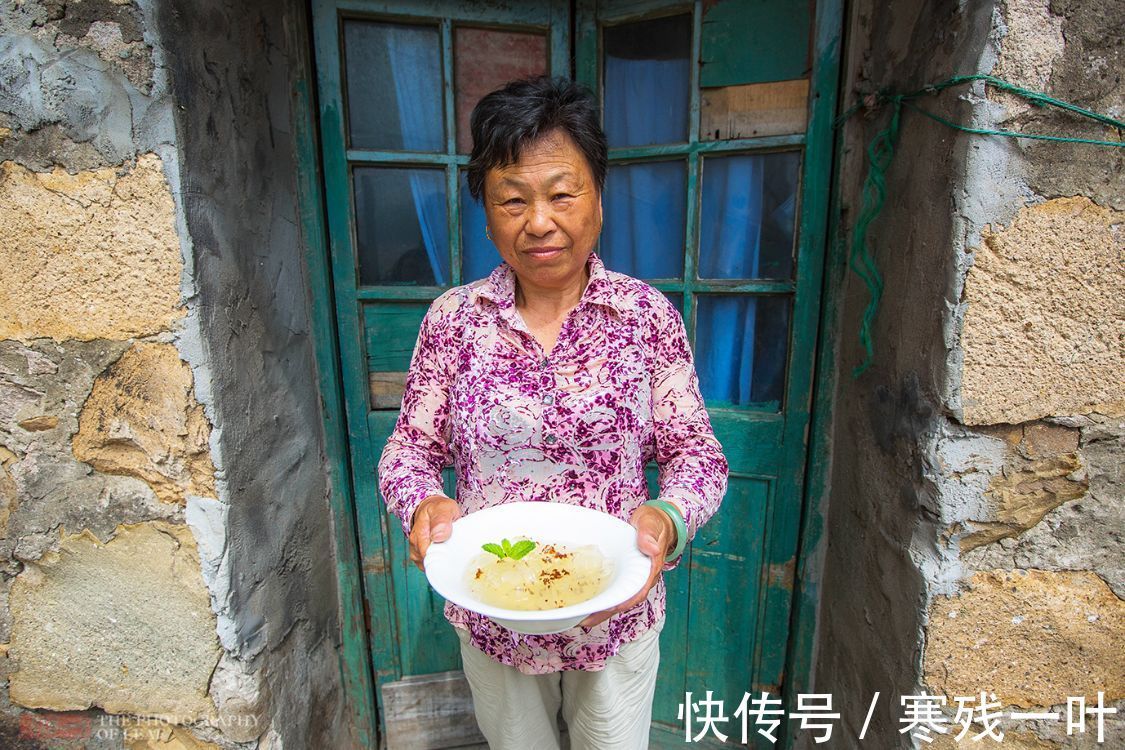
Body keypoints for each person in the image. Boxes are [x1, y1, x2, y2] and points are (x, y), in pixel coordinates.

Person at [378, 75, 728, 750]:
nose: (538, 221)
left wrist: (670, 518)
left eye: (561, 194)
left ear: (597, 196)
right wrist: (420, 501)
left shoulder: (645, 317)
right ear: (485, 212)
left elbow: (696, 455)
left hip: (614, 613)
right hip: (493, 607)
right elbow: (409, 449)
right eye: (512, 199)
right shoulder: (453, 321)